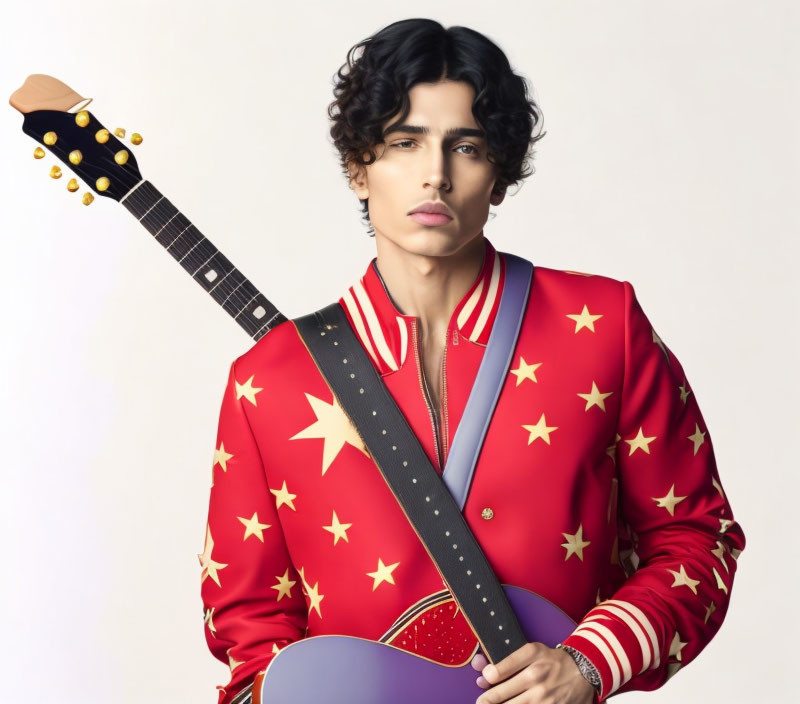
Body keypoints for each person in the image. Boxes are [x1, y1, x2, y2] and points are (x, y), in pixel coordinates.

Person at [198, 18, 746, 704]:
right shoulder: (268, 380)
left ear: (498, 176)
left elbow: (697, 538)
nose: (435, 174)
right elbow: (251, 622)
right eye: (405, 142)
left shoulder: (605, 327)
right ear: (357, 167)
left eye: (467, 146)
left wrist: (587, 662)